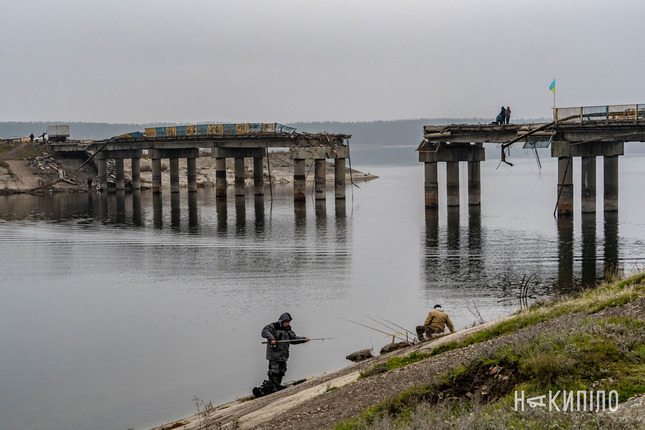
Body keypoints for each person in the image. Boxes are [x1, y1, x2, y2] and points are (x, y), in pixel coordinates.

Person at [255, 312, 310, 396]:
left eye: (289, 322)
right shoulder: (272, 326)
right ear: (282, 321)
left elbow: (293, 339)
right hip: (274, 355)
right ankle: (272, 387)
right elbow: (264, 332)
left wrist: (303, 339)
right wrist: (272, 338)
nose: (288, 323)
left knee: (282, 370)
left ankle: (277, 386)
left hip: (284, 355)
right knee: (274, 371)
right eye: (287, 322)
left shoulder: (288, 329)